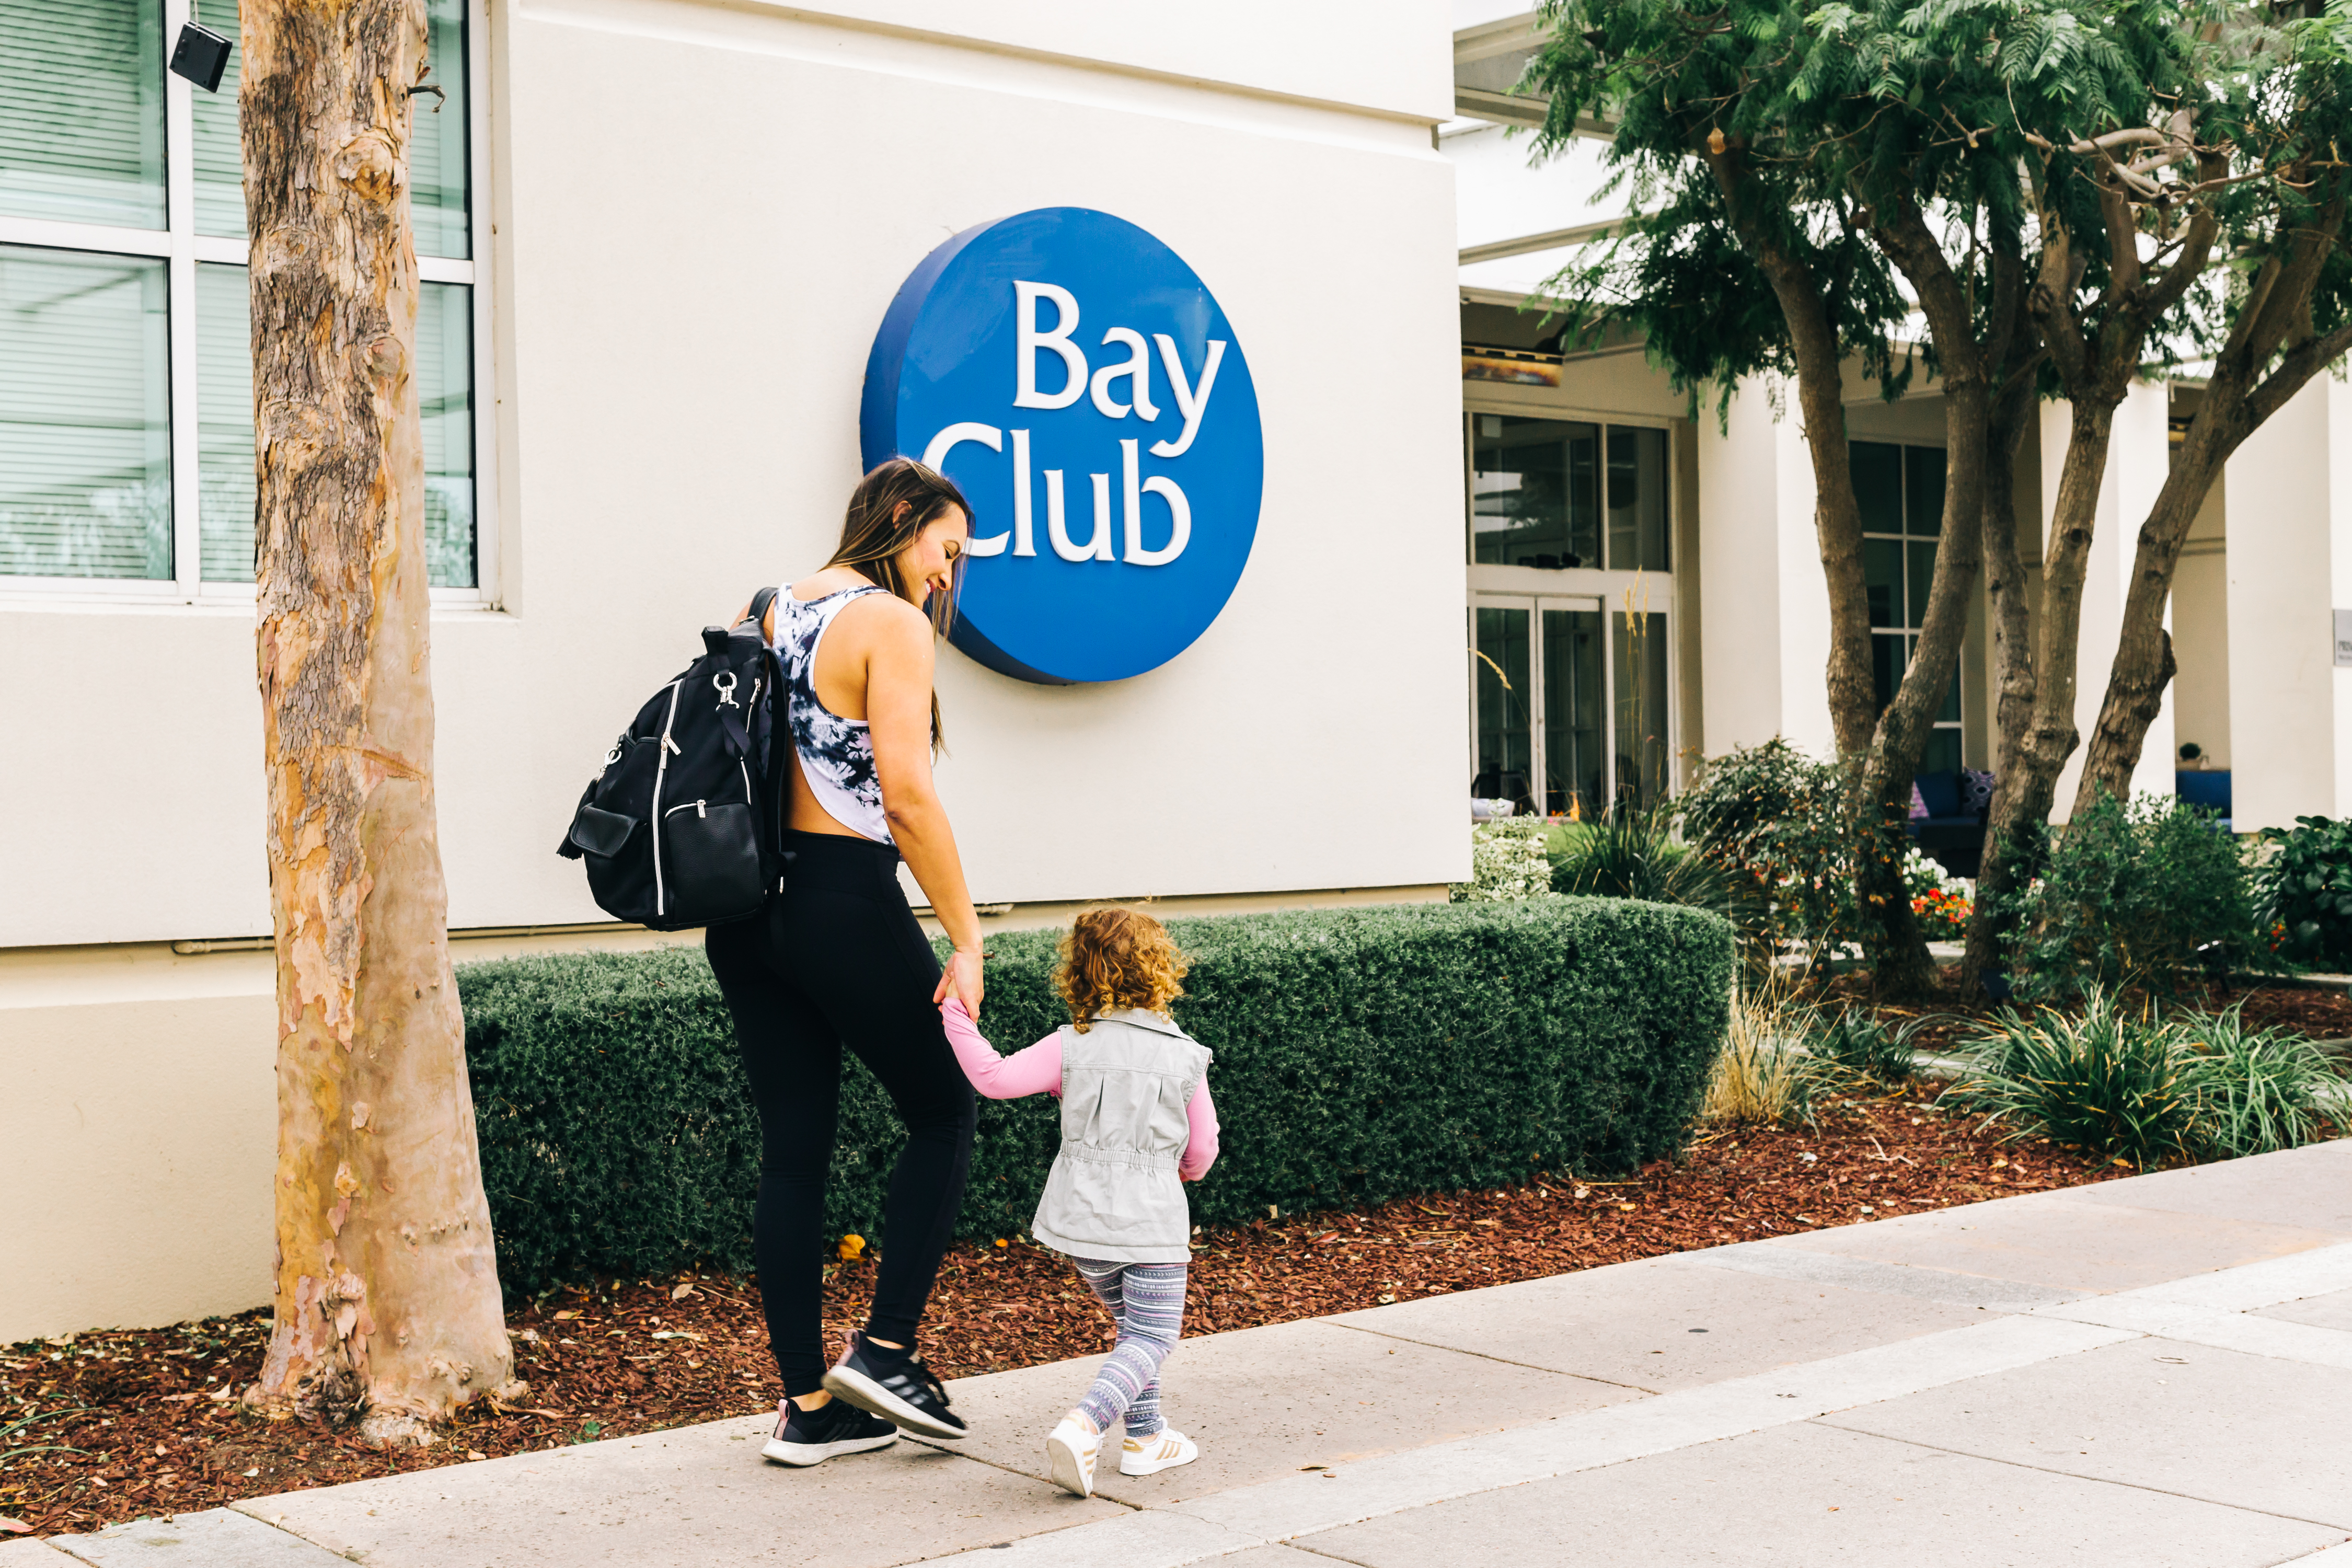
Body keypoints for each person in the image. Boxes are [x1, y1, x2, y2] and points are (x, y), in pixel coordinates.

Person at [705, 458, 988, 1467]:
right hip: (836, 894)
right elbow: (905, 797)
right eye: (948, 549)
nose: (949, 576)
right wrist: (964, 935)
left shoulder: (765, 605)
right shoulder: (889, 623)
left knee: (794, 1153)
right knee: (946, 1110)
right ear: (906, 520)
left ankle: (805, 1411)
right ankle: (887, 1352)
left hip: (745, 911)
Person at [939, 906, 1220, 1498]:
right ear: (1162, 969)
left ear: (1080, 973)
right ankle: (1086, 1424)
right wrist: (1185, 1173)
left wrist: (955, 1012)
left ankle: (1147, 1439)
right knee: (1153, 1338)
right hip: (1150, 1222)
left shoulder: (1070, 1045)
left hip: (1081, 1222)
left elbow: (992, 1078)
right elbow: (1202, 1149)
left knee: (1132, 1329)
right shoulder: (1186, 1056)